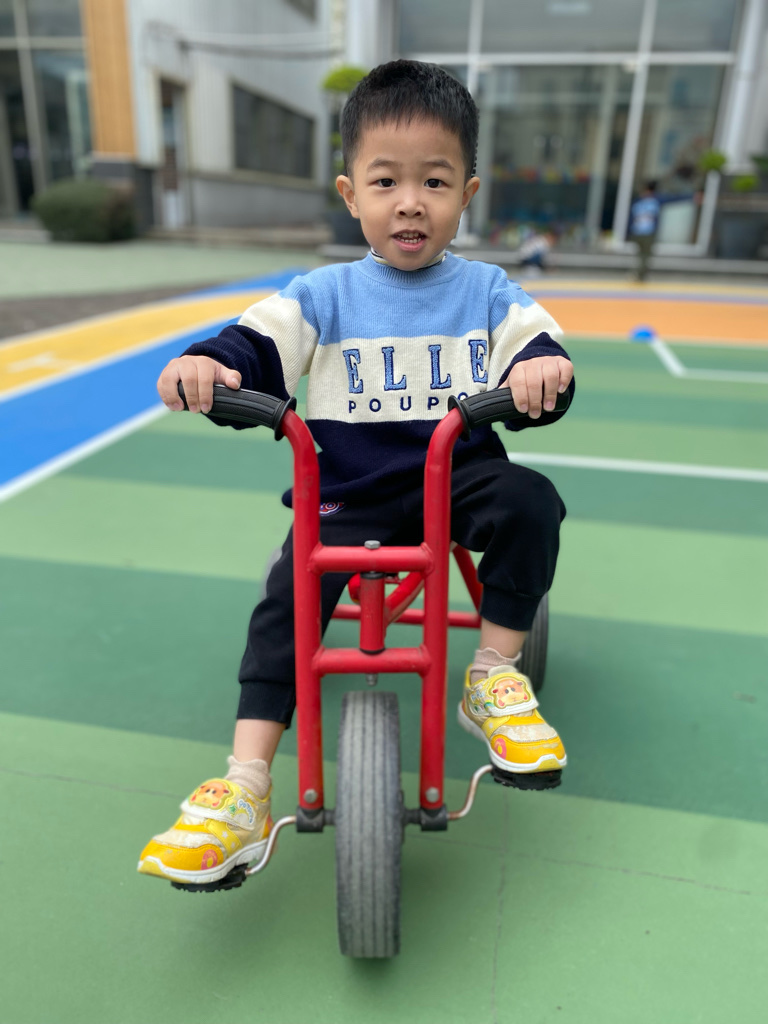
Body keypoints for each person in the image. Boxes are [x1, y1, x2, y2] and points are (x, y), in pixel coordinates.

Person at [138, 60, 575, 887]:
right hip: (347, 490)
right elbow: (254, 342)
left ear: (466, 194)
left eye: (434, 182)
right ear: (351, 195)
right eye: (386, 181)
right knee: (287, 600)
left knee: (531, 502)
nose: (410, 202)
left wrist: (540, 371)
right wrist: (210, 363)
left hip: (457, 476)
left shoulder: (487, 291)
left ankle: (492, 674)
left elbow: (536, 348)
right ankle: (245, 783)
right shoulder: (324, 293)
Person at [629, 180, 660, 282]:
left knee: (645, 255)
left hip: (648, 233)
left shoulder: (655, 202)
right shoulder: (637, 202)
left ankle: (641, 274)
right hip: (638, 232)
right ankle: (641, 274)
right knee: (642, 255)